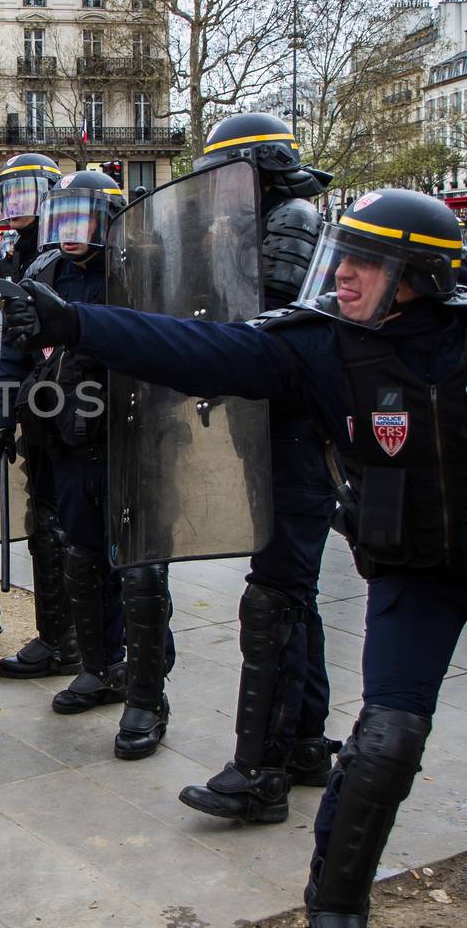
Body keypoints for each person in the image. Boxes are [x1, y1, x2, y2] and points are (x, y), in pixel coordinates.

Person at [0, 187, 467, 927]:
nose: (344, 273)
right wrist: (73, 320)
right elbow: (203, 350)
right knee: (385, 739)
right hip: (414, 579)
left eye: (369, 262)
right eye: (345, 255)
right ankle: (334, 910)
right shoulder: (325, 344)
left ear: (422, 274)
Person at [166, 114, 345, 822]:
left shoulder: (291, 219)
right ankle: (302, 741)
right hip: (275, 429)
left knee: (273, 594)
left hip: (296, 433)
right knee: (290, 588)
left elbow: (264, 326)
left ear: (259, 170)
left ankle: (260, 771)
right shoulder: (259, 222)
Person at [0, 168, 176, 760]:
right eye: (61, 219)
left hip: (134, 439)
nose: (70, 234)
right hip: (65, 441)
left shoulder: (138, 269)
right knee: (82, 554)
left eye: (83, 219)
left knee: (141, 566)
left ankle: (147, 695)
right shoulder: (42, 272)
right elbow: (14, 349)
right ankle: (97, 667)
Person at [0, 152, 81, 682]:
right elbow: (9, 344)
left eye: (25, 192)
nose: (14, 205)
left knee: (75, 534)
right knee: (44, 526)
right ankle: (57, 637)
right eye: (8, 193)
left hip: (83, 412)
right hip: (41, 411)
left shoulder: (67, 254)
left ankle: (82, 641)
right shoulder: (20, 255)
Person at [0, 151, 61, 280]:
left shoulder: (63, 253)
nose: (12, 203)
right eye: (7, 196)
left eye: (22, 196)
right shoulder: (20, 248)